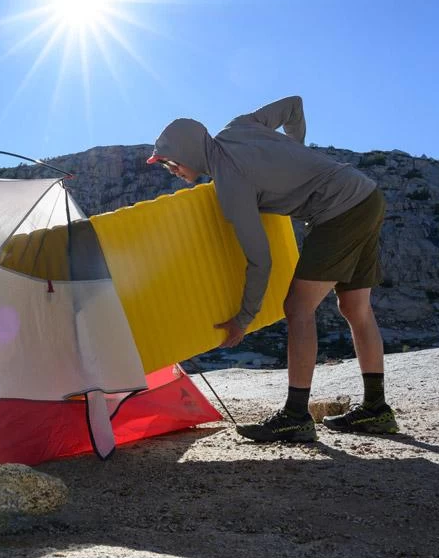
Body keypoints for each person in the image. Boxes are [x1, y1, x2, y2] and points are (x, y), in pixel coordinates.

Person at [148, 95, 398, 443]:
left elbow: (260, 260)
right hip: (365, 194)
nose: (172, 171)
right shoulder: (239, 127)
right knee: (355, 307)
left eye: (170, 163)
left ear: (185, 153)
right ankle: (376, 409)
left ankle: (295, 417)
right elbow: (294, 105)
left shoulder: (230, 184)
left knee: (297, 307)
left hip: (338, 210)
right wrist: (296, 153)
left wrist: (243, 318)